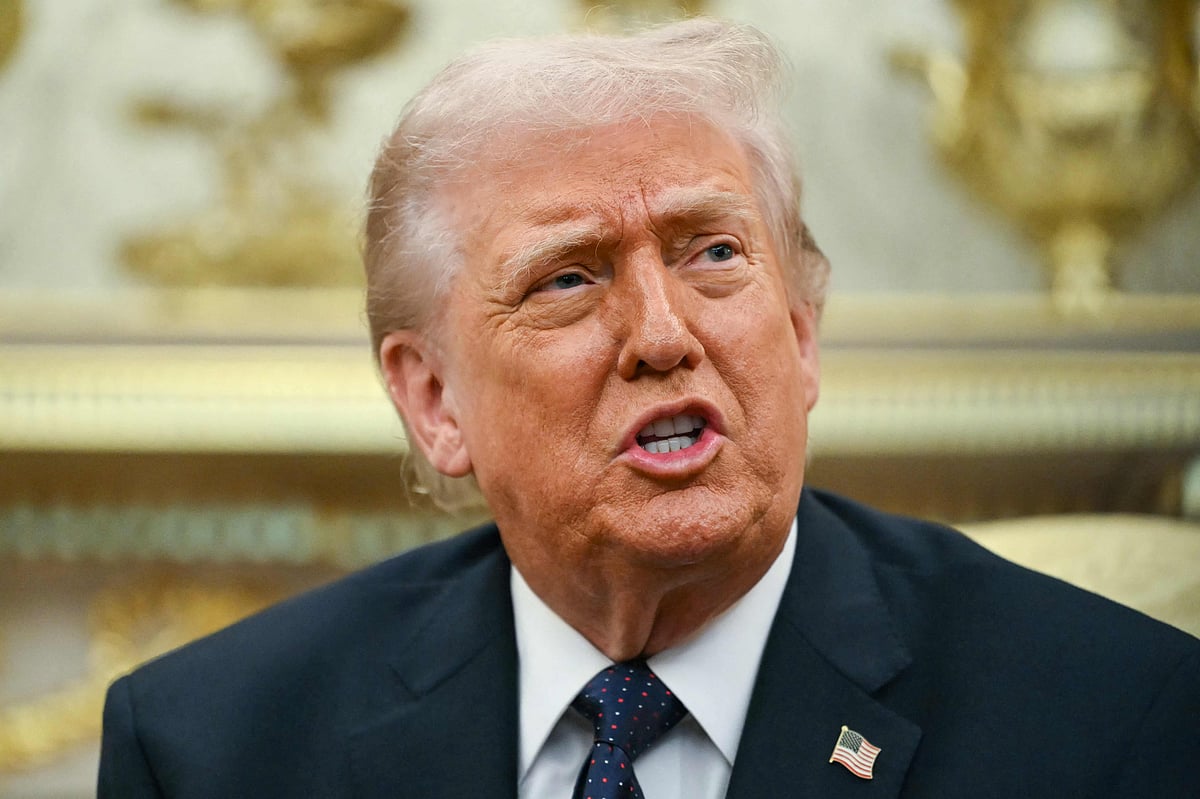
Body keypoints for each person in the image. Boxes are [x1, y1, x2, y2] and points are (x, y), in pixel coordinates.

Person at [98, 18, 1199, 798]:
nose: (664, 335)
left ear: (801, 332)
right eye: (569, 278)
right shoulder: (213, 749)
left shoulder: (1111, 719)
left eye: (713, 253)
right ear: (433, 399)